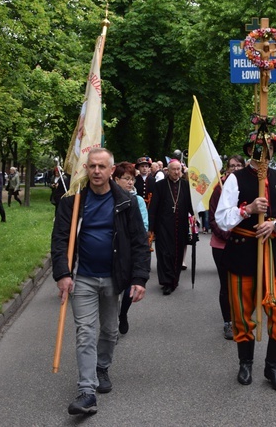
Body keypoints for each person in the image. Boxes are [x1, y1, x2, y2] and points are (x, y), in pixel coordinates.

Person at [51, 148, 150, 416]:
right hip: (82, 277)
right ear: (86, 168)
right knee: (85, 331)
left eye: (101, 167)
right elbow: (60, 240)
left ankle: (102, 366)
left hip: (113, 277)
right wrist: (62, 273)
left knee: (110, 330)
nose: (96, 171)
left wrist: (139, 277)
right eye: (92, 166)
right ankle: (86, 391)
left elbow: (140, 242)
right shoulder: (72, 203)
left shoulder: (126, 202)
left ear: (111, 169)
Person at [215, 131, 276, 392]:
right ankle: (245, 362)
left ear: (274, 151)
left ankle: (273, 366)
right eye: (259, 147)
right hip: (242, 251)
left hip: (273, 252)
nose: (264, 152)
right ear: (250, 150)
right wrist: (248, 210)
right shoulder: (235, 178)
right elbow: (222, 218)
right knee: (242, 313)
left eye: (269, 148)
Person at [208, 154, 244, 340]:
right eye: (232, 166)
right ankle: (228, 322)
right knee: (226, 285)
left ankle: (241, 317)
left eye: (239, 165)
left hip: (244, 244)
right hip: (222, 244)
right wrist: (228, 236)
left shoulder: (247, 188)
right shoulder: (218, 190)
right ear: (227, 168)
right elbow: (212, 219)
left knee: (243, 284)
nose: (235, 168)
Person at [112, 161, 149, 335]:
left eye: (132, 179)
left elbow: (144, 224)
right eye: (126, 179)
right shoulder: (110, 199)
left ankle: (123, 313)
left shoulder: (137, 200)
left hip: (131, 249)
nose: (130, 182)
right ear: (116, 179)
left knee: (128, 288)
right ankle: (111, 326)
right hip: (114, 250)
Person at [149, 159, 193, 295]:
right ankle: (166, 281)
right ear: (168, 170)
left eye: (178, 169)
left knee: (177, 254)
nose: (176, 172)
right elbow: (153, 207)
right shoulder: (160, 185)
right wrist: (151, 227)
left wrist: (195, 215)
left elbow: (191, 205)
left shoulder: (185, 185)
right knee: (164, 254)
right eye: (173, 169)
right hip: (163, 226)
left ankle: (174, 280)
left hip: (180, 226)